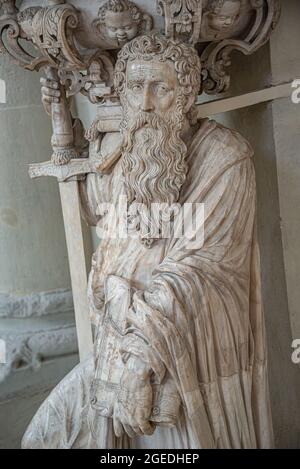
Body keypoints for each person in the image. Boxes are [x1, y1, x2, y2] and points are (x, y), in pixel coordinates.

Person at [22, 33, 273, 449]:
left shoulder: (225, 159)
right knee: (45, 437)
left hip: (177, 355)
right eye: (136, 87)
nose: (145, 102)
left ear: (187, 93)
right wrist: (61, 129)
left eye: (160, 87)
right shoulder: (130, 157)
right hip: (114, 343)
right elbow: (101, 214)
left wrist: (142, 360)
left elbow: (203, 269)